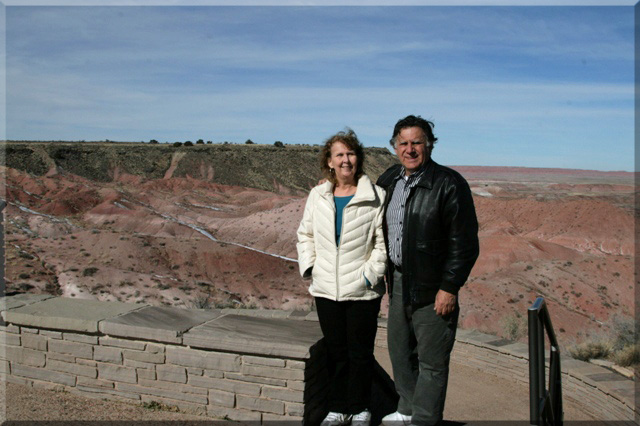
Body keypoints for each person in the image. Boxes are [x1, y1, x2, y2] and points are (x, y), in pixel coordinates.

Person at [377, 115, 479, 426]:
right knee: (400, 353)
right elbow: (361, 199)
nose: (410, 149)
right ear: (395, 147)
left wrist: (449, 287)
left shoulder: (448, 184)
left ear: (429, 145)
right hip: (399, 282)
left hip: (434, 287)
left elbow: (464, 243)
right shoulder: (390, 179)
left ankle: (424, 420)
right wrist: (330, 184)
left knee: (432, 362)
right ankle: (407, 409)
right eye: (403, 143)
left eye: (416, 143)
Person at [297, 128, 387, 426]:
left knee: (360, 354)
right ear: (330, 161)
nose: (345, 159)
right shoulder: (317, 195)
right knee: (336, 352)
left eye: (350, 153)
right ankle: (337, 407)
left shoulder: (376, 197)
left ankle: (360, 408)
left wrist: (368, 276)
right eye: (339, 155)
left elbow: (382, 245)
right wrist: (311, 268)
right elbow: (305, 235)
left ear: (358, 159)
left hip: (361, 291)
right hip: (325, 289)